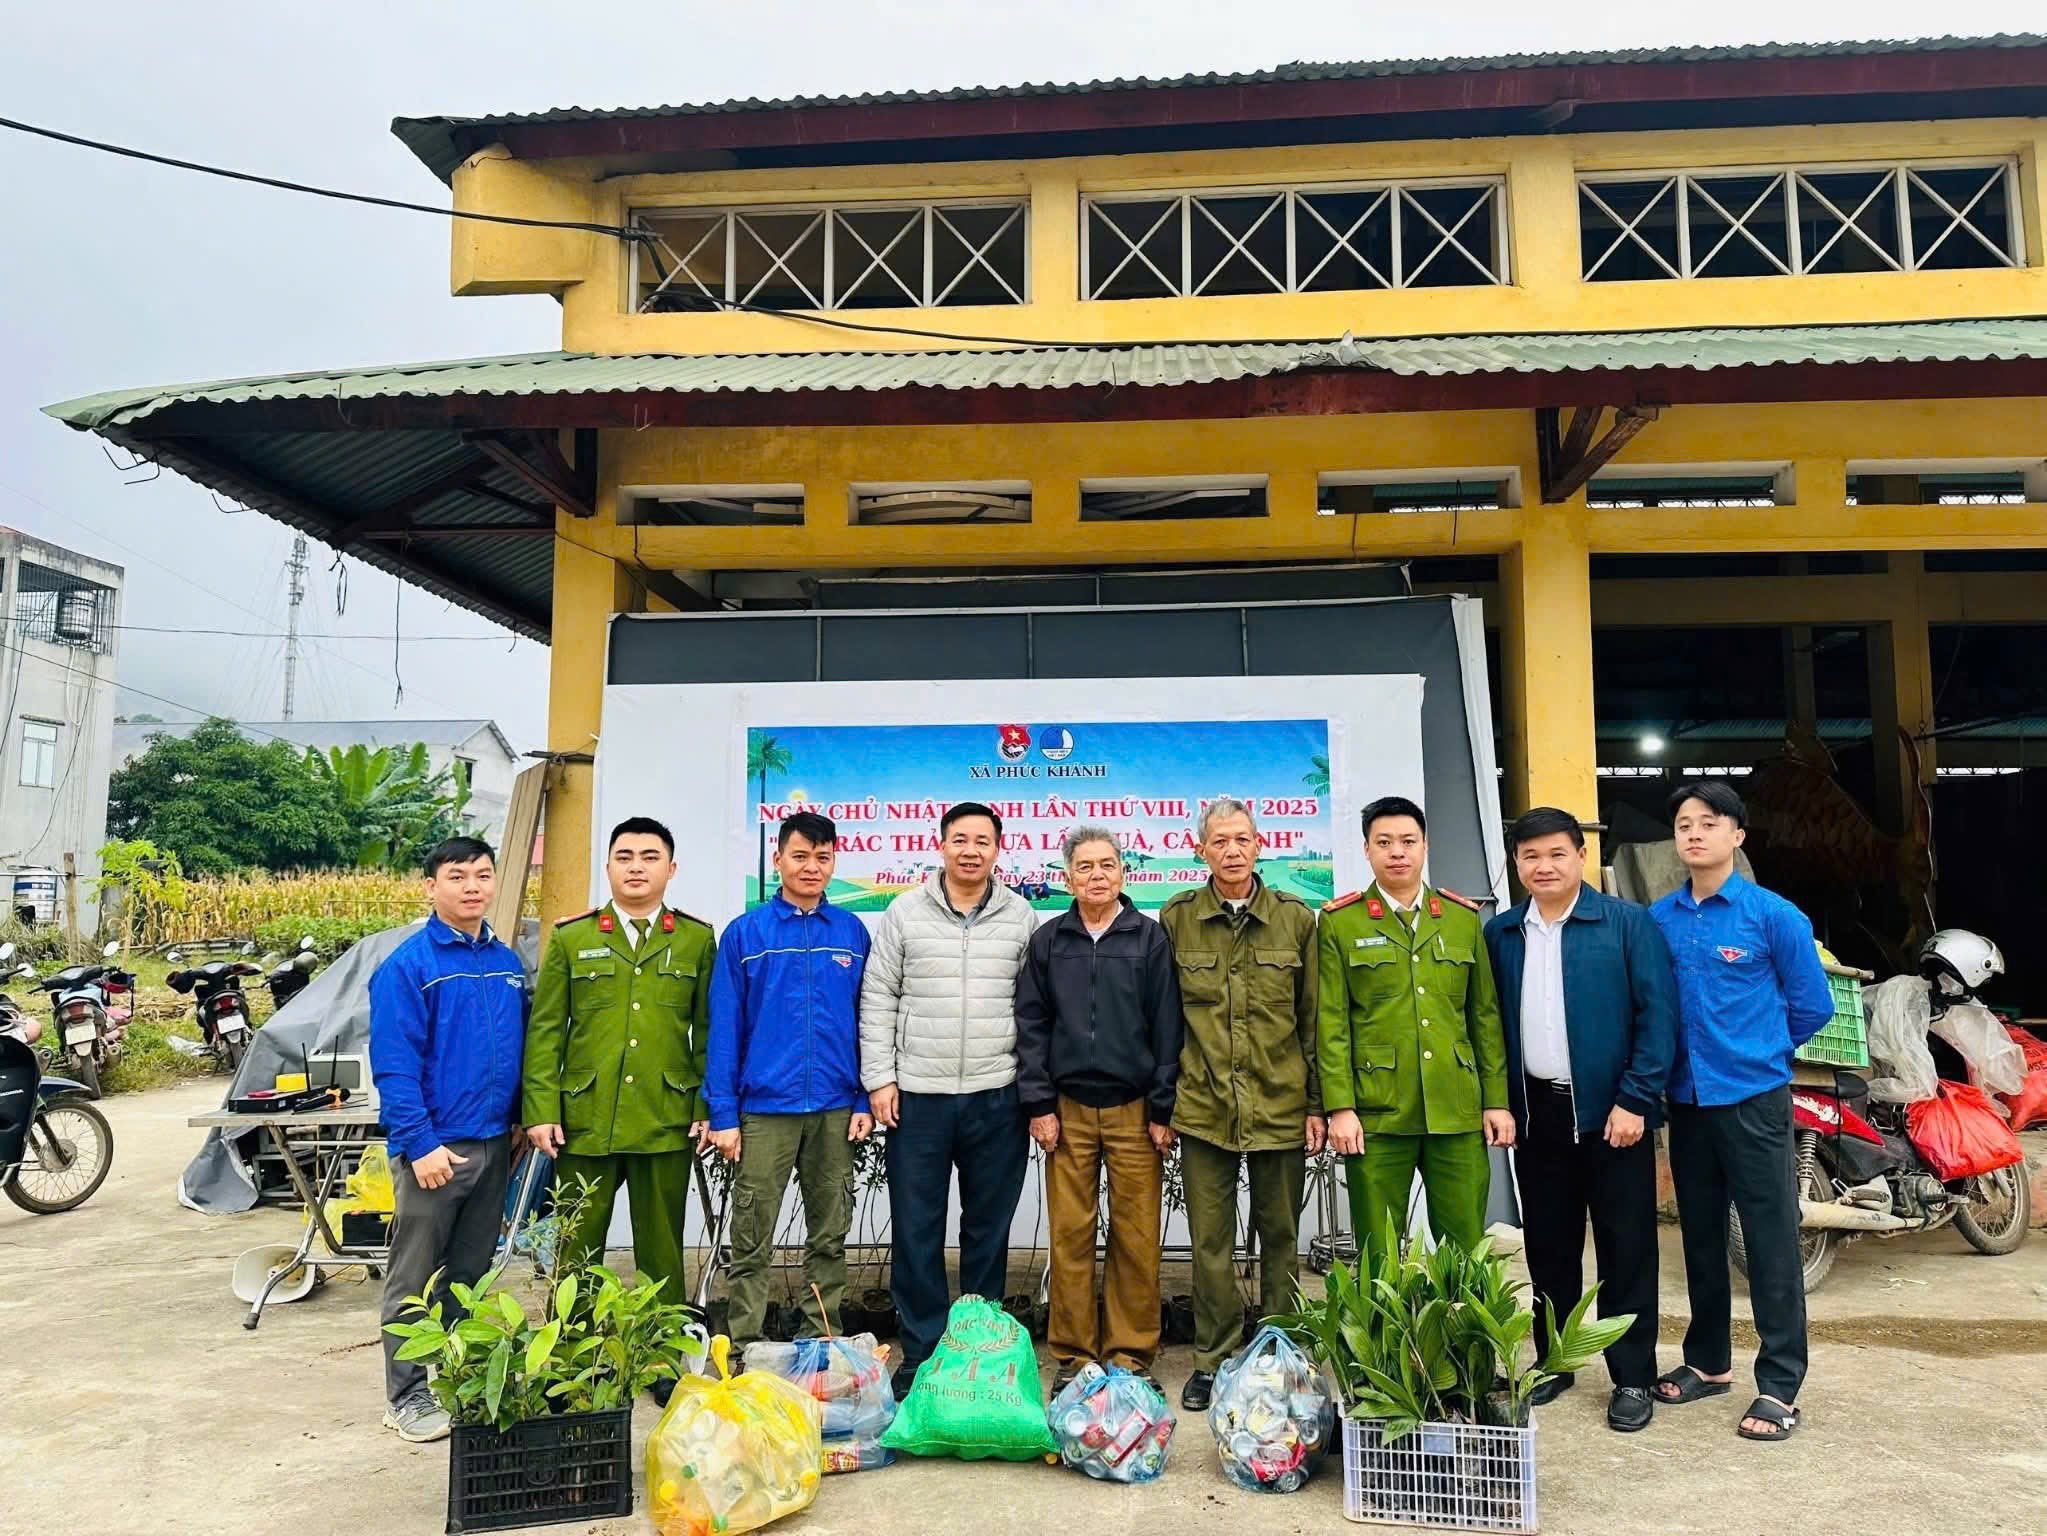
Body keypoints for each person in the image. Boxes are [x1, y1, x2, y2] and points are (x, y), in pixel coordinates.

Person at [1483, 807, 1678, 1434]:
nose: (1544, 866)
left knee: (1626, 1248)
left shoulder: (1625, 924)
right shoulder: (1503, 933)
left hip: (1612, 1110)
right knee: (1549, 1247)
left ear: (1579, 857)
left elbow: (1658, 1018)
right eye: (1531, 857)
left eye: (1556, 854)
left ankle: (1632, 1377)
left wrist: (1636, 1100)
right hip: (1537, 1113)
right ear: (1517, 864)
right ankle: (1555, 1361)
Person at [1650, 780, 1833, 1443]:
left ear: (1736, 837)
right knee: (1697, 1234)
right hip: (1686, 1101)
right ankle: (1707, 1361)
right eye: (1682, 824)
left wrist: (1760, 1050)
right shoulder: (1658, 919)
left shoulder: (1772, 916)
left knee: (1769, 1241)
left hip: (1753, 1100)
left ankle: (1779, 1383)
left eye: (1707, 823)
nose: (1693, 833)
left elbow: (1813, 1004)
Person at [523, 817, 713, 1402]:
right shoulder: (573, 937)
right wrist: (540, 1109)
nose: (636, 866)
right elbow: (547, 1029)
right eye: (624, 856)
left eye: (650, 856)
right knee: (579, 1244)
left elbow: (708, 1031)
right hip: (585, 1117)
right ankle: (575, 1358)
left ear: (671, 869)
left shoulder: (695, 940)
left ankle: (660, 1361)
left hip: (666, 1114)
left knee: (662, 1248)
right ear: (607, 867)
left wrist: (707, 1104)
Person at [859, 801, 1036, 1397]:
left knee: (988, 1228)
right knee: (916, 1227)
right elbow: (878, 996)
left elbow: (1031, 1007)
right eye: (960, 839)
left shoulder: (1020, 915)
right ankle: (924, 1349)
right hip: (919, 1097)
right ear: (940, 845)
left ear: (997, 849)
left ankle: (978, 1346)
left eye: (982, 841)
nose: (970, 850)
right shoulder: (904, 912)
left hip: (996, 1093)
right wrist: (881, 1078)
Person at [1159, 795, 1322, 1412]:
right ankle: (1216, 1357)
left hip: (1280, 1106)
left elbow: (1311, 1022)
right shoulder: (1176, 920)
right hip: (1203, 1110)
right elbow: (1165, 1021)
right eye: (1219, 840)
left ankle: (1282, 1353)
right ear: (1201, 849)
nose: (1231, 850)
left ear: (1260, 846)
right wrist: (1164, 1105)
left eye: (1242, 839)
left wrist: (1316, 1105)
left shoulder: (1295, 921)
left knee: (1280, 1234)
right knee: (1211, 1242)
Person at [370, 836, 528, 1442]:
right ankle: (406, 1396)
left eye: (482, 875)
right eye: (457, 876)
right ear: (431, 886)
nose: (472, 886)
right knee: (414, 1280)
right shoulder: (409, 967)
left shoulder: (505, 962)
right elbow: (395, 1064)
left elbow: (511, 1053)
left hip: (493, 1145)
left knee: (468, 1276)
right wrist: (418, 1142)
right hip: (435, 1150)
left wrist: (514, 1122)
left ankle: (455, 1381)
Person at [1017, 825, 1184, 1396]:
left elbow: (1168, 1028)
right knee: (1070, 1235)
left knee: (1137, 1236)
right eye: (1084, 866)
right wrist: (1038, 1104)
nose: (1096, 875)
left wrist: (1163, 1108)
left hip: (1135, 1111)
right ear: (1067, 877)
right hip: (1066, 1111)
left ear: (1123, 872)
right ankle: (1073, 1354)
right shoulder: (1049, 941)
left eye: (1107, 865)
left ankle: (1130, 1354)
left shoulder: (1148, 938)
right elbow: (1031, 1027)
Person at [707, 811, 873, 1347]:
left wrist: (865, 1098)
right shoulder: (746, 934)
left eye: (822, 858)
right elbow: (724, 1028)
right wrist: (723, 1114)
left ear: (834, 862)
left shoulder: (851, 933)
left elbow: (870, 1021)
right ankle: (745, 1343)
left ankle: (822, 1339)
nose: (811, 867)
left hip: (834, 1108)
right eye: (800, 856)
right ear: (777, 859)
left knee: (830, 1233)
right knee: (752, 1235)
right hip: (764, 1112)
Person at [1318, 796, 1511, 1253]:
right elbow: (1331, 1021)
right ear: (1366, 850)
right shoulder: (1340, 923)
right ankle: (1381, 1329)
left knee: (1464, 1246)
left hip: (1456, 1106)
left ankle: (1460, 1327)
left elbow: (1483, 1015)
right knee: (1377, 1250)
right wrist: (1340, 1107)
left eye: (1408, 841)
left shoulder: (1462, 919)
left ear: (1425, 846)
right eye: (1384, 842)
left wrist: (1495, 1101)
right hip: (1378, 1108)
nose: (1397, 851)